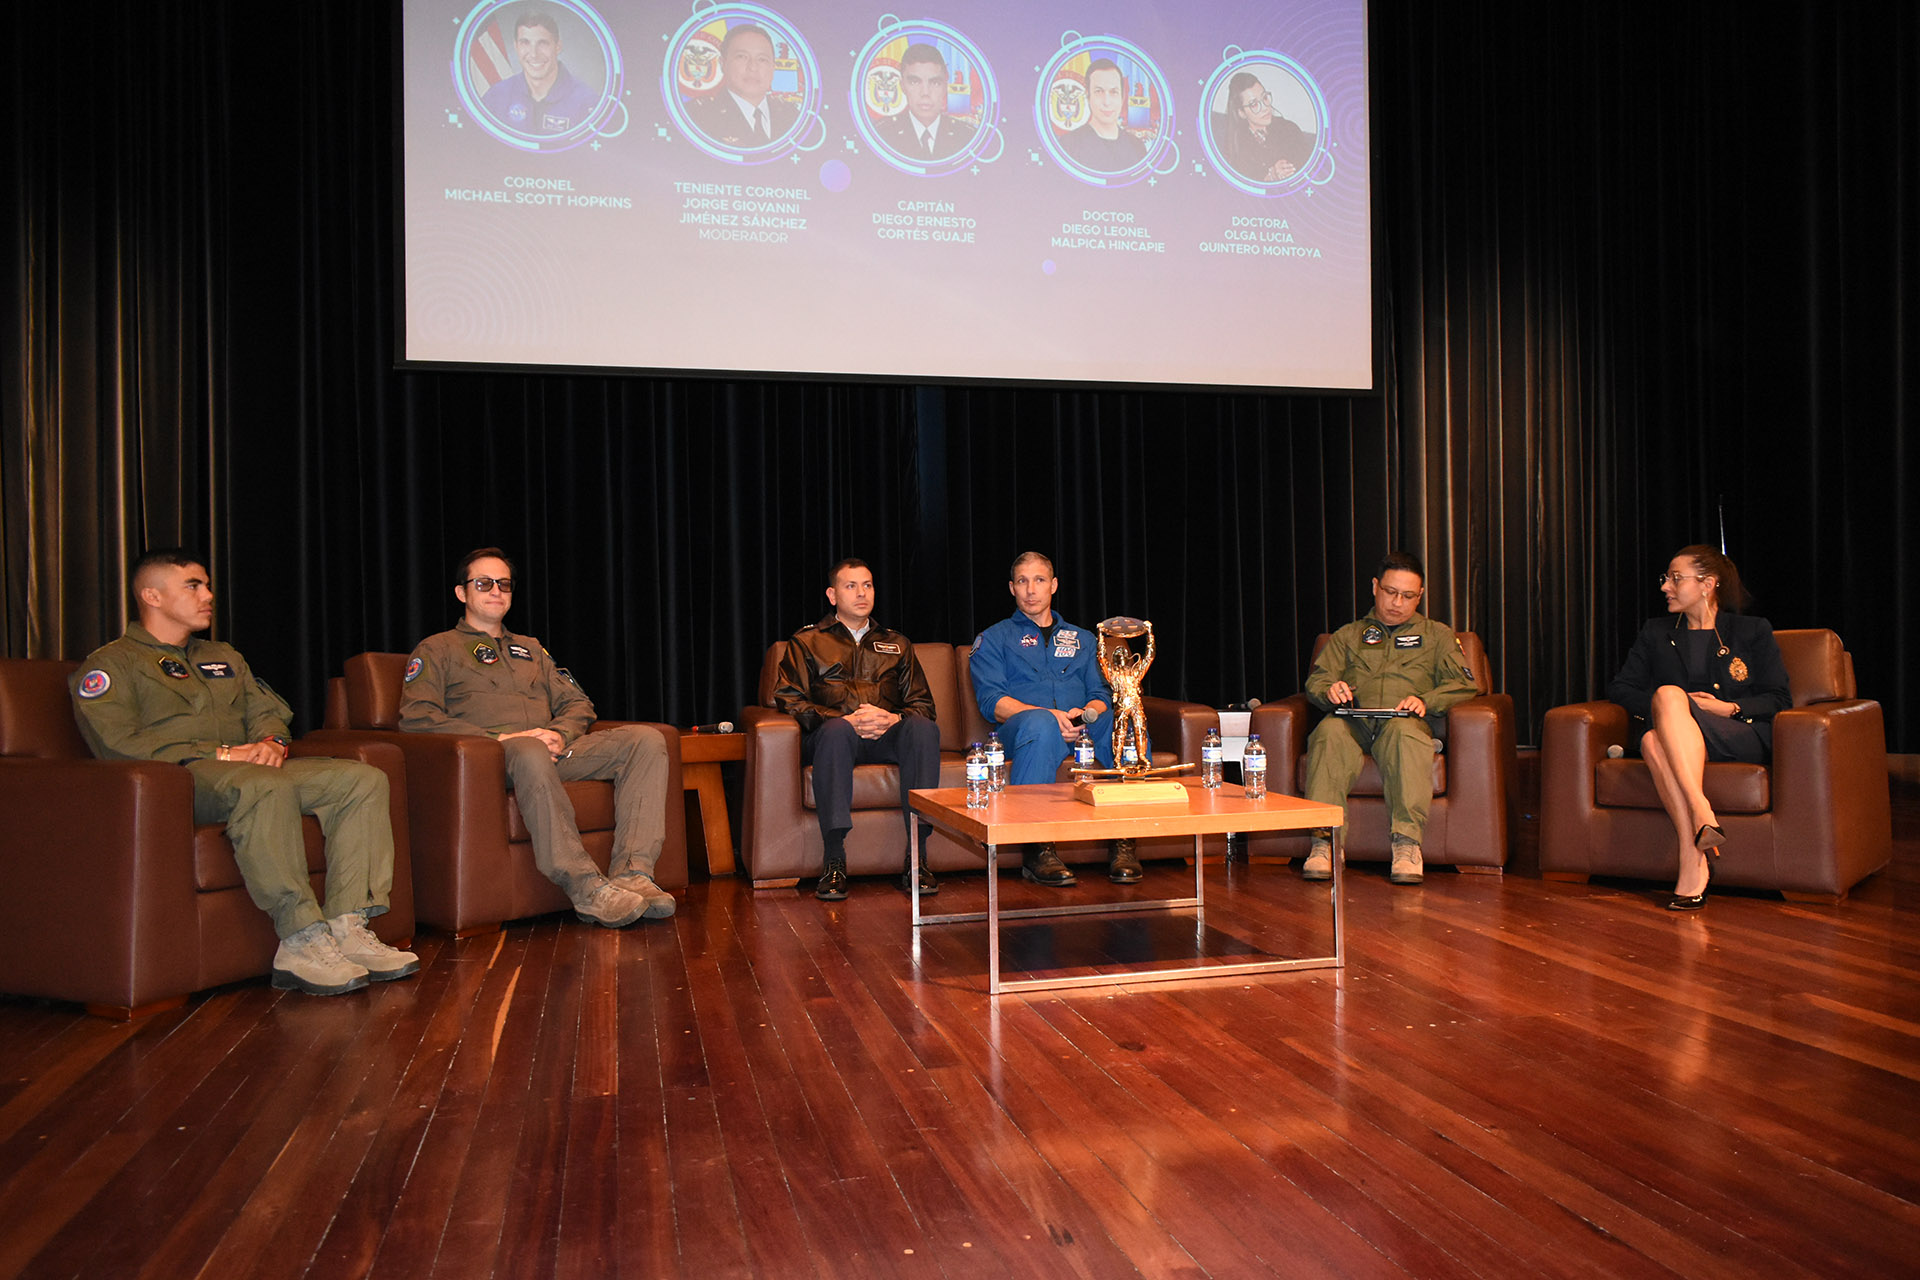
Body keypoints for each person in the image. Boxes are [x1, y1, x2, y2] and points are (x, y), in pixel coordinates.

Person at [69, 549, 418, 996]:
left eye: (208, 585)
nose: (208, 595)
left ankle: (348, 927)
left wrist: (272, 742)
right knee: (262, 783)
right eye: (193, 585)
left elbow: (266, 710)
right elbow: (118, 745)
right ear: (151, 595)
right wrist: (223, 752)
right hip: (180, 780)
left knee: (360, 780)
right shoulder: (110, 665)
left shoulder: (223, 655)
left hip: (249, 770)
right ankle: (301, 941)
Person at [399, 548, 674, 927]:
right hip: (494, 759)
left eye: (504, 584)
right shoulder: (437, 649)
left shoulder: (530, 649)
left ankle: (633, 874)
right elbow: (417, 718)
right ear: (462, 593)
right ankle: (586, 889)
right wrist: (501, 737)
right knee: (528, 748)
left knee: (645, 740)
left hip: (551, 754)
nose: (496, 591)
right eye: (484, 583)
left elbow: (579, 703)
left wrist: (560, 733)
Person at [1605, 545, 1790, 911]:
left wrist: (1730, 707)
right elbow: (1621, 688)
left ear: (1707, 584)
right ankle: (1695, 850)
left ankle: (1697, 813)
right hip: (1678, 736)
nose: (1665, 587)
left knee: (1659, 728)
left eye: (1676, 579)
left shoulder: (1751, 631)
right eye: (1666, 579)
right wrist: (1672, 706)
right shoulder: (1655, 632)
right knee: (1658, 732)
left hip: (1735, 733)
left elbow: (1780, 698)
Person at [1300, 551, 1480, 885]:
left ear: (1421, 595)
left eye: (1408, 595)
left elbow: (1464, 684)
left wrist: (1426, 700)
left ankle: (1407, 844)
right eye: (1390, 592)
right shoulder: (1348, 636)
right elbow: (1317, 681)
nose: (1398, 602)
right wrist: (1330, 690)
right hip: (1354, 720)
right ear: (1374, 587)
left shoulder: (1437, 636)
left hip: (1403, 721)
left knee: (1405, 737)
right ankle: (1324, 842)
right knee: (1327, 734)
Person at [773, 558, 941, 900]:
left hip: (886, 736)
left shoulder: (898, 643)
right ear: (833, 595)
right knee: (836, 733)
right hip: (834, 736)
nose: (862, 593)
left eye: (868, 585)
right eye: (851, 586)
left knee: (922, 729)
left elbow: (924, 705)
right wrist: (840, 719)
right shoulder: (808, 642)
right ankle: (834, 859)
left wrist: (894, 718)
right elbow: (790, 699)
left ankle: (917, 859)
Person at [969, 552, 1137, 887]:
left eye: (1040, 580)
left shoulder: (1085, 640)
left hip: (1080, 726)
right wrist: (1049, 715)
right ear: (1012, 589)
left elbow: (1101, 695)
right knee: (1041, 724)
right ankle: (1038, 848)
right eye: (1022, 581)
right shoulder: (994, 639)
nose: (1031, 589)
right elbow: (994, 704)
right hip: (1023, 730)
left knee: (1123, 722)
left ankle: (1124, 839)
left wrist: (1086, 714)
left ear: (1054, 585)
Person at [480, 8, 601, 135]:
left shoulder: (587, 102)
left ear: (558, 46)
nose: (533, 54)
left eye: (542, 43)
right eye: (525, 43)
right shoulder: (495, 97)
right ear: (516, 47)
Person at [687, 24, 797, 147]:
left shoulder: (791, 116)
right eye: (742, 57)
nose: (753, 67)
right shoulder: (698, 117)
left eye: (762, 59)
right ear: (723, 63)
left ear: (773, 66)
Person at [881, 43, 976, 161]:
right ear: (902, 86)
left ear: (945, 86)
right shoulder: (881, 135)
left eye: (935, 83)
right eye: (915, 82)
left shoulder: (967, 137)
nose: (925, 93)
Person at [1220, 71, 1314, 183]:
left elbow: (1310, 169)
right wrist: (1270, 176)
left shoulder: (1290, 129)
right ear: (1241, 113)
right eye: (1254, 104)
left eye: (1264, 98)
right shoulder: (1235, 144)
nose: (1265, 107)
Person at [1061, 58, 1146, 172]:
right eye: (1099, 91)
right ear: (1088, 96)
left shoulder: (1137, 147)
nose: (1107, 101)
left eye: (1114, 92)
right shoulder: (1069, 145)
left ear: (1123, 96)